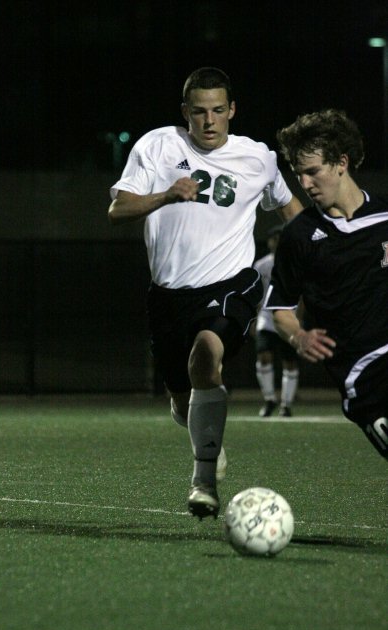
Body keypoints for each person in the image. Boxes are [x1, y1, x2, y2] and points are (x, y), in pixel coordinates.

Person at [108, 66, 304, 519]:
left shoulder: (258, 157)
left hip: (231, 283)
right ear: (185, 113)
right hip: (169, 296)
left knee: (206, 353)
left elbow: (291, 212)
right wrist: (165, 196)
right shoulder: (157, 145)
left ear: (232, 110)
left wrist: (328, 245)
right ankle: (206, 440)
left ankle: (203, 480)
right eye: (199, 112)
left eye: (218, 111)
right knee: (181, 400)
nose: (209, 121)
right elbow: (118, 208)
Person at [264, 108, 388, 460]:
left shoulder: (385, 218)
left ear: (341, 163)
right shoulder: (299, 236)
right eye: (298, 174)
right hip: (364, 379)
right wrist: (298, 336)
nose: (304, 184)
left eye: (312, 171)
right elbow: (280, 310)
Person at [253, 223, 300, 417]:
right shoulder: (261, 265)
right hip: (266, 316)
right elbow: (256, 294)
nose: (278, 242)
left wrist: (300, 320)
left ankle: (286, 404)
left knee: (289, 361)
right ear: (270, 242)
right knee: (264, 357)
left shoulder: (296, 263)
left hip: (288, 316)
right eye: (274, 238)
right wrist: (254, 319)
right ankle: (269, 399)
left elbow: (302, 294)